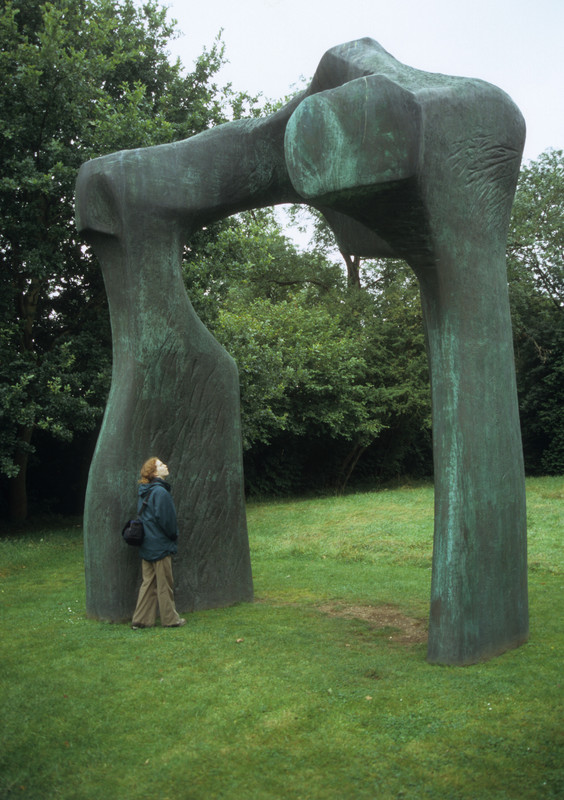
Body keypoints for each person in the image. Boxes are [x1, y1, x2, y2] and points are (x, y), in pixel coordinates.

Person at [131, 457, 186, 629]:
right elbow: (167, 521)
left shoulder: (145, 491)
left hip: (147, 544)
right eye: (161, 465)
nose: (165, 466)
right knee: (164, 584)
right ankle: (170, 620)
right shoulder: (161, 492)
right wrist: (173, 536)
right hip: (160, 545)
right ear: (155, 473)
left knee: (148, 583)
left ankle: (141, 620)